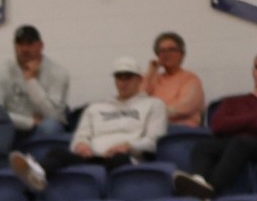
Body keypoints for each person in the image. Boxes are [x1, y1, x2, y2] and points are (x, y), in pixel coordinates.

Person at [10, 58, 167, 191]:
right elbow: (81, 135)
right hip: (93, 156)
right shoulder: (96, 107)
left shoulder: (153, 105)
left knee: (118, 159)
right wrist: (81, 144)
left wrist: (128, 146)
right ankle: (37, 174)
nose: (123, 82)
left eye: (128, 77)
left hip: (128, 158)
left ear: (139, 79)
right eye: (119, 77)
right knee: (58, 152)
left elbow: (154, 141)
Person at [173, 54, 257, 199]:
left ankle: (212, 189)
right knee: (204, 146)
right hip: (236, 143)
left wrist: (238, 122)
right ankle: (199, 180)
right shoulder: (233, 102)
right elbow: (218, 126)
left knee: (241, 141)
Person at [0, 24, 72, 136]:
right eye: (20, 44)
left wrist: (31, 81)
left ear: (41, 46)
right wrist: (29, 122)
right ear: (14, 46)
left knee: (50, 126)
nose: (24, 49)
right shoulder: (2, 72)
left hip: (44, 127)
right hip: (15, 126)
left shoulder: (58, 72)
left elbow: (54, 116)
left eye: (29, 43)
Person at [144, 32, 206, 126]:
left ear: (181, 54)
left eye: (171, 50)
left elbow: (185, 107)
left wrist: (153, 114)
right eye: (162, 51)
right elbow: (136, 100)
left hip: (180, 131)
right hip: (153, 129)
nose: (166, 54)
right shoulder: (153, 78)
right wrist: (150, 73)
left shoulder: (191, 79)